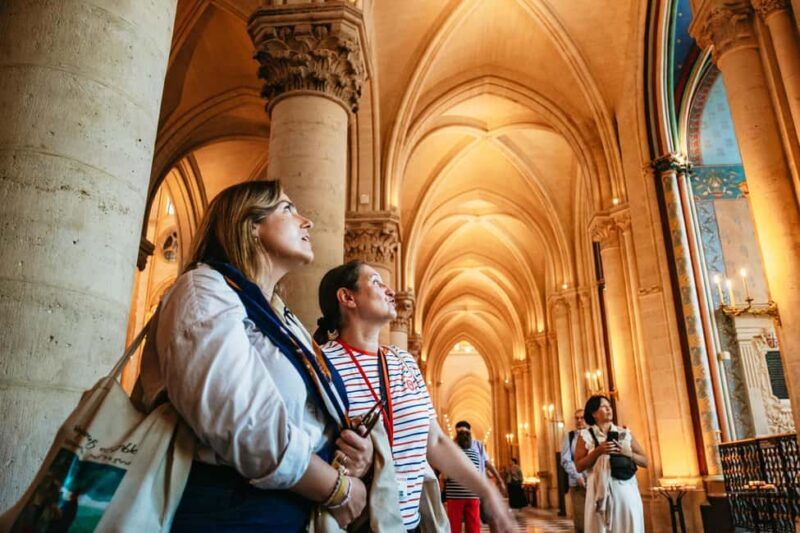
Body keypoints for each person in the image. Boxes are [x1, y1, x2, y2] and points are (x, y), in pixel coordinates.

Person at [134, 181, 372, 532]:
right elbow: (243, 422)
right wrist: (337, 489)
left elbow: (311, 415)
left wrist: (357, 453)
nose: (306, 221)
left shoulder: (282, 316)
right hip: (228, 516)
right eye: (288, 209)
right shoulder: (203, 290)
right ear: (251, 224)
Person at [314, 261, 514, 533]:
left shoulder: (404, 362)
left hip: (410, 523)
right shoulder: (323, 363)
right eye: (375, 281)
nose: (389, 289)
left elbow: (436, 441)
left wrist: (487, 493)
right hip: (358, 524)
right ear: (347, 297)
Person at [574, 396, 648, 533]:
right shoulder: (585, 435)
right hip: (599, 490)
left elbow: (645, 461)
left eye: (609, 405)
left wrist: (628, 453)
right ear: (594, 413)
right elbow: (579, 466)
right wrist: (598, 451)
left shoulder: (624, 433)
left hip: (626, 490)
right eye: (603, 406)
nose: (609, 408)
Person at [561, 409, 588, 532]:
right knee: (581, 522)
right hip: (577, 485)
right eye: (576, 418)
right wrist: (578, 476)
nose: (579, 420)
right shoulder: (570, 437)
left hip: (594, 483)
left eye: (582, 418)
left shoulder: (593, 434)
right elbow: (566, 460)